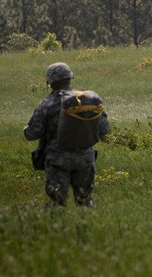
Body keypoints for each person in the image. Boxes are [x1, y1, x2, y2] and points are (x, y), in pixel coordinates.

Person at [24, 62, 110, 206]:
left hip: (57, 161)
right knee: (85, 200)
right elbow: (104, 129)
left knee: (57, 202)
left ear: (50, 82)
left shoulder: (47, 103)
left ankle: (58, 228)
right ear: (70, 79)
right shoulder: (86, 100)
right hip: (85, 159)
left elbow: (31, 133)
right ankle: (89, 227)